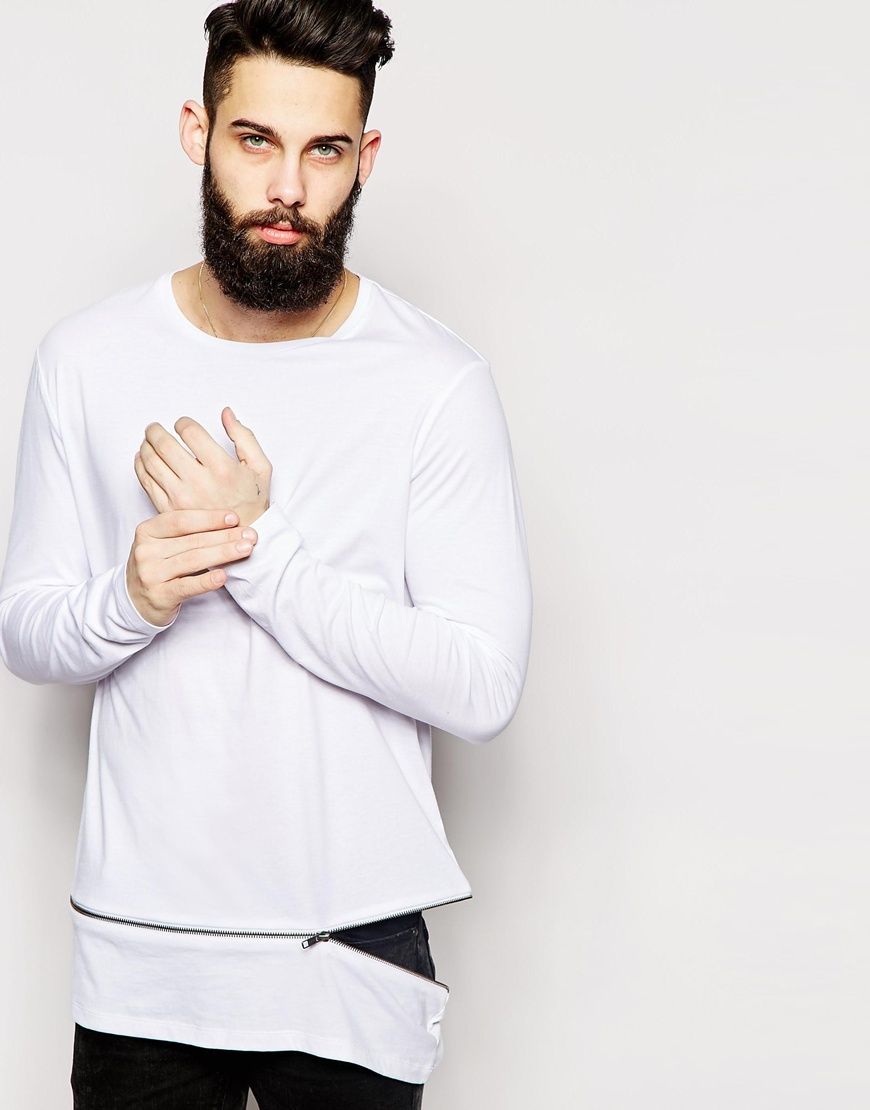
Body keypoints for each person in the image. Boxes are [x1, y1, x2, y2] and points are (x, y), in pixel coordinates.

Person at [0, 0, 533, 1106]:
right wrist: (129, 596)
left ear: (364, 159)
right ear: (198, 133)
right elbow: (28, 631)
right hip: (143, 962)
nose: (288, 186)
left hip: (349, 951)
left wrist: (259, 558)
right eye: (256, 141)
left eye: (323, 151)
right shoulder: (87, 358)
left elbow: (481, 686)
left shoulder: (435, 382)